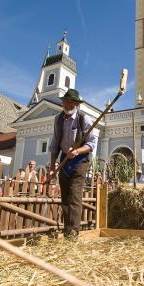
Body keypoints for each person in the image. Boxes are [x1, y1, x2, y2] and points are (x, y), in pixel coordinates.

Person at [49, 88, 96, 239]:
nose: (68, 104)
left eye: (71, 102)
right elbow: (55, 143)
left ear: (76, 104)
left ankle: (73, 232)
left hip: (80, 159)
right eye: (65, 101)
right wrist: (52, 166)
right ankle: (67, 229)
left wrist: (77, 151)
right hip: (65, 157)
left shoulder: (83, 119)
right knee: (65, 196)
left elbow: (92, 143)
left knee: (74, 194)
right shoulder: (58, 119)